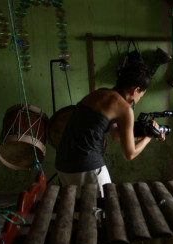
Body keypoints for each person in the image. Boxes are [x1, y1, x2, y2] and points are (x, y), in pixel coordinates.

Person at [55, 62, 165, 197]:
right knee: (103, 211)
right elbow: (129, 154)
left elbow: (116, 135)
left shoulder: (100, 93)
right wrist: (148, 138)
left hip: (62, 164)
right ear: (135, 90)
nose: (137, 101)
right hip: (86, 166)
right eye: (140, 97)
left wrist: (143, 133)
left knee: (80, 211)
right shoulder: (125, 109)